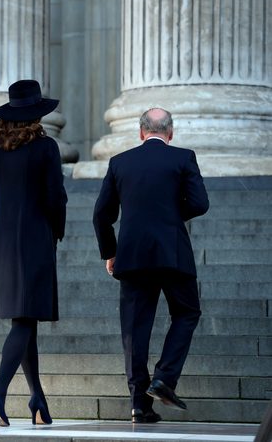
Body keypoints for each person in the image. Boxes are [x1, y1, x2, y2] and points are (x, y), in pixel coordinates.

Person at [93, 108, 209, 423]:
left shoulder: (120, 162)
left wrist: (110, 251)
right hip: (172, 252)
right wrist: (170, 216)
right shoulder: (183, 158)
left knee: (134, 329)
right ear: (169, 133)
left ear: (141, 132)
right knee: (187, 313)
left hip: (132, 255)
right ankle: (164, 378)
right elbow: (200, 203)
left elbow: (101, 214)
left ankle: (139, 404)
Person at [0, 79, 67, 427]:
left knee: (23, 317)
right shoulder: (46, 148)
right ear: (36, 114)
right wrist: (55, 229)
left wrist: (5, 222)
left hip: (1, 240)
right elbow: (54, 197)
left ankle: (37, 399)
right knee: (25, 318)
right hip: (34, 238)